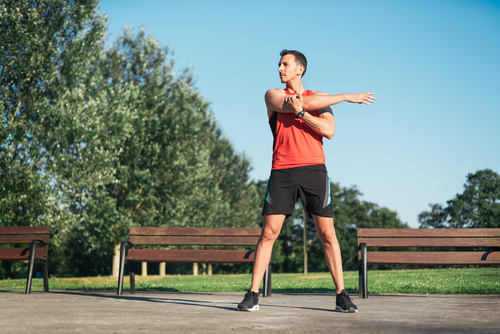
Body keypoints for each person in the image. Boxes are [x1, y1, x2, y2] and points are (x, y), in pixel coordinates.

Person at [237, 50, 376, 313]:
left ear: (299, 69)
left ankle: (341, 295)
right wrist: (345, 97)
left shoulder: (320, 96)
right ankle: (253, 295)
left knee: (327, 234)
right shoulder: (272, 94)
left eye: (285, 64)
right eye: (279, 64)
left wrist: (303, 115)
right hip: (282, 172)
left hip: (314, 171)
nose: (280, 68)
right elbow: (292, 103)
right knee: (268, 234)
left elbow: (329, 131)